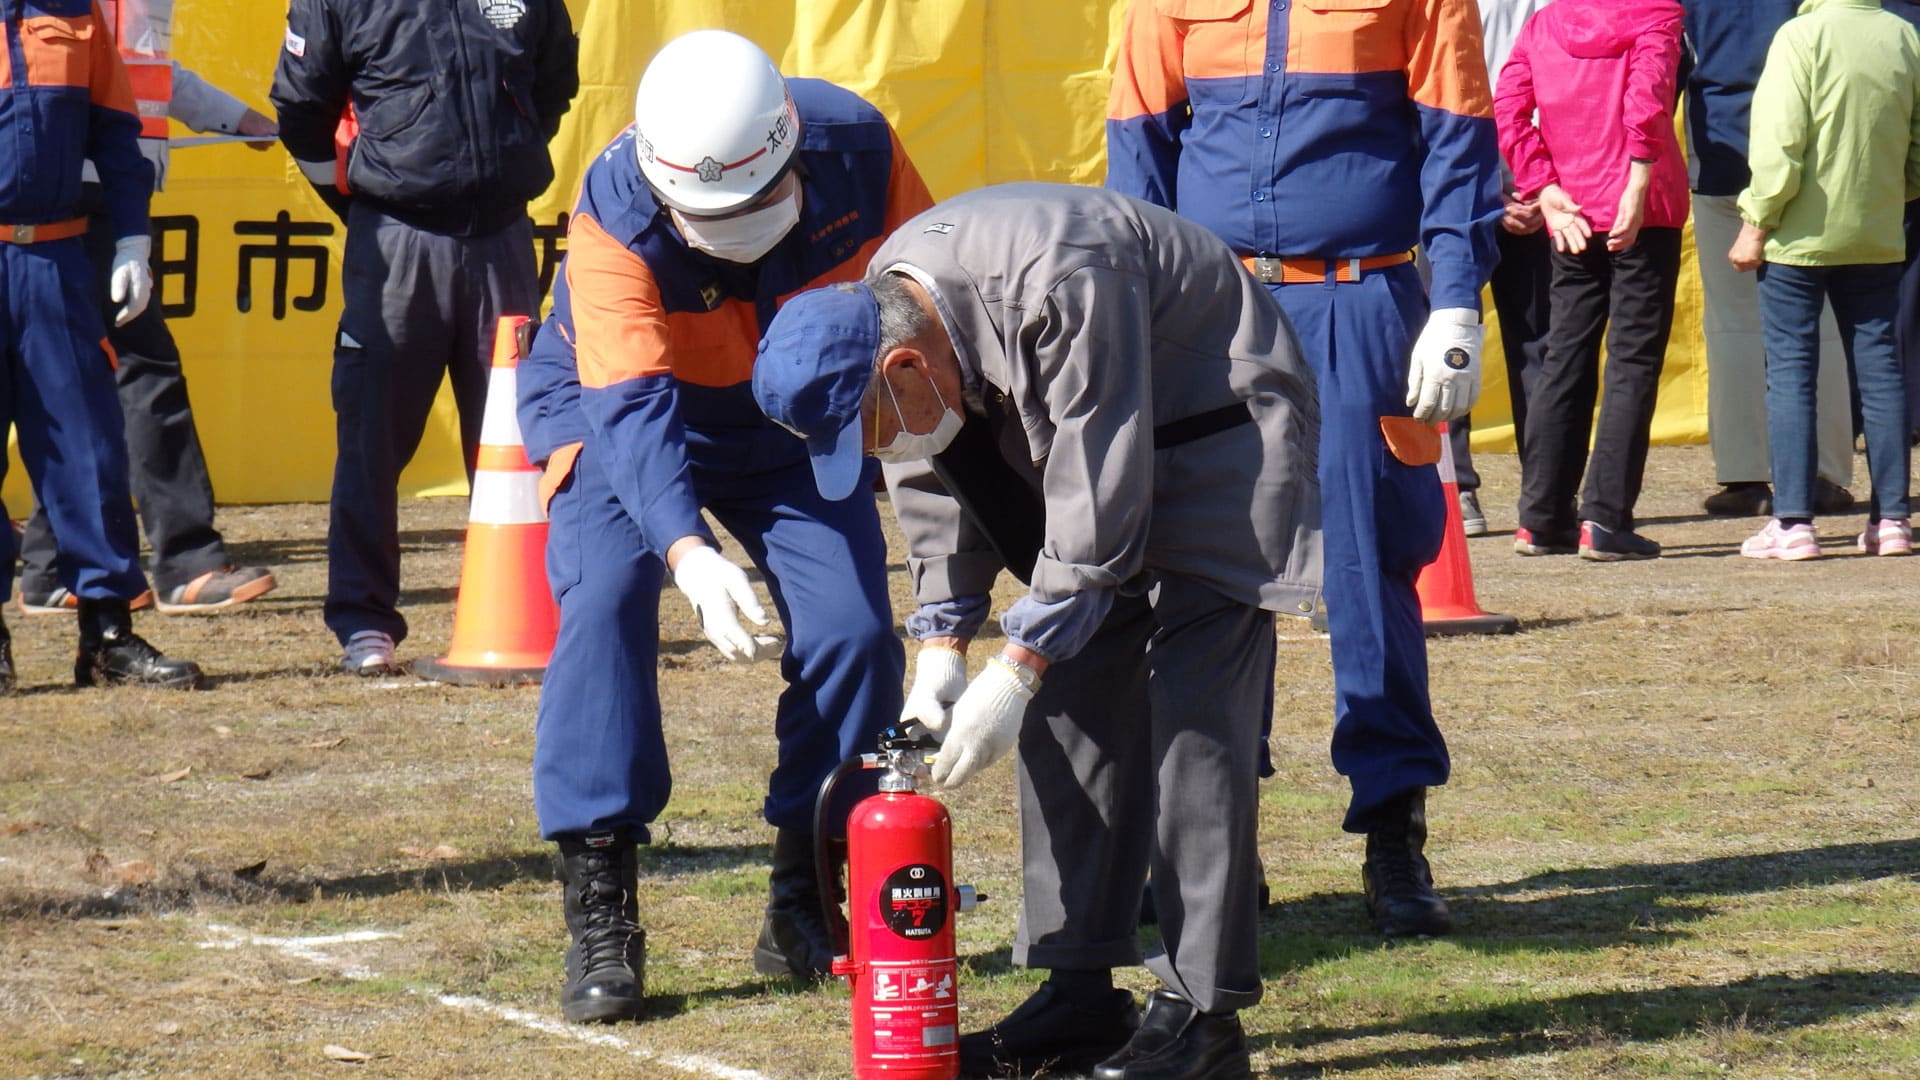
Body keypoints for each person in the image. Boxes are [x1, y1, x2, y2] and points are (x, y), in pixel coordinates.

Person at [755, 183, 1320, 1080]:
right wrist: (942, 645)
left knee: (1195, 731)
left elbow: (1100, 496)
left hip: (1221, 430)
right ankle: (1079, 994)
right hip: (1083, 452)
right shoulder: (889, 310)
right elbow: (935, 471)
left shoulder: (1063, 277)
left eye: (864, 432)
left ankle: (1201, 1021)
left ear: (902, 369)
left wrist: (1016, 663)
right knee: (1067, 711)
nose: (872, 455)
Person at [513, 30, 931, 1023]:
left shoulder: (862, 150)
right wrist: (689, 550)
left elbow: (926, 299)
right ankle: (601, 899)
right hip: (625, 409)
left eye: (749, 204)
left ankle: (805, 888)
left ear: (790, 154)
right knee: (610, 598)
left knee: (857, 633)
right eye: (705, 213)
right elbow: (630, 404)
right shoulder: (612, 210)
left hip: (796, 420)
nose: (730, 224)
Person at [1105, 0, 1500, 940]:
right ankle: (1217, 848)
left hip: (1362, 308)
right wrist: (1143, 311)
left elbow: (1458, 142)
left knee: (1370, 573)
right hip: (1215, 312)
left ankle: (1393, 834)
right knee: (1207, 571)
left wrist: (1454, 303)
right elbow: (1139, 150)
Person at [269, 0, 578, 674]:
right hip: (394, 244)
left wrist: (508, 155)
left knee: (520, 440)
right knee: (370, 440)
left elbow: (554, 80)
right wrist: (358, 201)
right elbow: (301, 109)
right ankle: (364, 623)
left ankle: (537, 610)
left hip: (502, 240)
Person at [16, 0, 278, 617]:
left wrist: (234, 118)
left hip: (110, 188)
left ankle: (50, 567)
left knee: (78, 375)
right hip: (70, 189)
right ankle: (185, 563)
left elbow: (151, 76)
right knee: (142, 371)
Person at [0, 0, 202, 692]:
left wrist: (133, 240)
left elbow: (117, 133)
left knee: (89, 450)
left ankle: (108, 633)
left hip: (56, 264)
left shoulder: (78, 19)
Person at [1496, 0, 1688, 561]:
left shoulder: (1544, 22)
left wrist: (1542, 184)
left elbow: (1509, 107)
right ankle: (1604, 518)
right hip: (1641, 209)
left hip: (1573, 206)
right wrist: (1637, 184)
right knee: (1631, 361)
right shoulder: (1657, 14)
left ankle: (1541, 518)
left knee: (1566, 357)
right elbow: (1648, 100)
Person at [1731, 0, 1920, 560]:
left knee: (1791, 373)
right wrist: (1888, 197)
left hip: (1797, 239)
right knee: (1882, 371)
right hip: (1879, 233)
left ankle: (1793, 524)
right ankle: (1891, 520)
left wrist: (1755, 222)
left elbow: (1779, 141)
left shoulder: (1801, 35)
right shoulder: (1906, 36)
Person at [1684, 0, 1858, 519]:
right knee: (1820, 320)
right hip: (1809, 160)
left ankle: (1744, 476)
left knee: (1732, 327)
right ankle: (1824, 473)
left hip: (1721, 156)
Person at [1479, 0, 1557, 495]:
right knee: (1442, 336)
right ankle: (1453, 485)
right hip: (1461, 188)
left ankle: (1545, 490)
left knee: (1542, 345)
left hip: (1544, 190)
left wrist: (1540, 187)